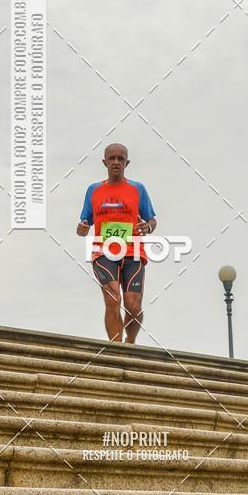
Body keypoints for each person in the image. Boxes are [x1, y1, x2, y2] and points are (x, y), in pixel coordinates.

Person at [77, 143, 156, 344]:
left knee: (133, 305)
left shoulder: (138, 189)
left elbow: (151, 219)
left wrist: (148, 227)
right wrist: (82, 228)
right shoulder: (93, 190)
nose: (116, 162)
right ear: (105, 162)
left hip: (133, 251)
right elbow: (85, 221)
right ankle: (116, 348)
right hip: (103, 252)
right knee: (113, 298)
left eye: (121, 159)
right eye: (112, 158)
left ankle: (130, 341)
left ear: (126, 163)